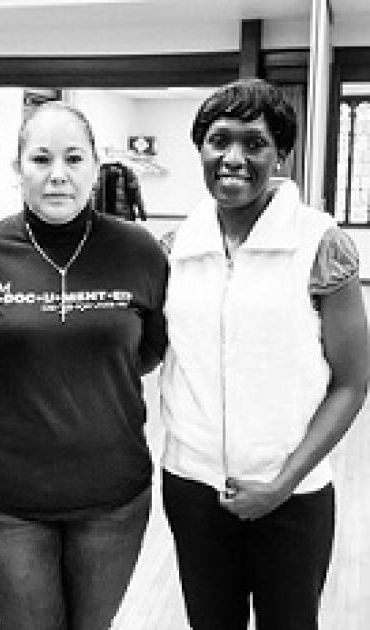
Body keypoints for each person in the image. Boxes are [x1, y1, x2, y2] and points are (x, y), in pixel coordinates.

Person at [159, 77, 369, 630]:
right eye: (219, 140)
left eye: (254, 143)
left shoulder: (321, 245)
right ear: (200, 148)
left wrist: (283, 483)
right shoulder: (176, 249)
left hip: (292, 493)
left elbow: (351, 382)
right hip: (193, 488)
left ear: (281, 153)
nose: (234, 158)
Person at [0, 101, 168, 630]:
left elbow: (149, 350)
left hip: (113, 499)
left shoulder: (139, 251)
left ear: (96, 168)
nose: (58, 175)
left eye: (74, 158)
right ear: (18, 170)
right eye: (41, 159)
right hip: (7, 502)